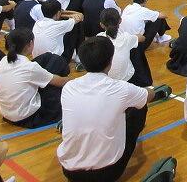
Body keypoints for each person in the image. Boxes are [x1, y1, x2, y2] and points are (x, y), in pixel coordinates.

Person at [57, 37, 155, 181]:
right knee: (139, 107)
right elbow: (149, 95)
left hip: (69, 171)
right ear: (110, 61)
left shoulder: (69, 87)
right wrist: (149, 90)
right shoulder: (121, 88)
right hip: (107, 173)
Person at [0, 28, 70, 128]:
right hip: (28, 118)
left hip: (7, 115)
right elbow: (60, 82)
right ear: (30, 43)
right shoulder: (29, 67)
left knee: (48, 56)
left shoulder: (3, 60)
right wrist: (77, 81)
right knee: (58, 65)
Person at [121, 0, 172, 86]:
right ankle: (161, 37)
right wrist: (155, 13)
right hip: (138, 44)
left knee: (151, 18)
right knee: (157, 19)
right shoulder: (143, 10)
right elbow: (164, 15)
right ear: (146, 0)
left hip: (125, 41)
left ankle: (159, 36)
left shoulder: (127, 8)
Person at [98, 8, 144, 83]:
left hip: (105, 79)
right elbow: (142, 38)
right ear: (120, 20)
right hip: (125, 78)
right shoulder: (126, 37)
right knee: (135, 46)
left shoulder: (99, 37)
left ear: (101, 25)